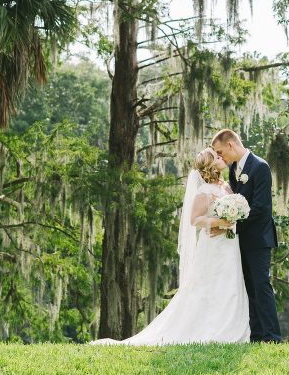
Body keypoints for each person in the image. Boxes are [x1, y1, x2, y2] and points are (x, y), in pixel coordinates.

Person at [91, 148, 250, 345]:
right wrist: (218, 222)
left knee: (230, 282)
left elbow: (232, 213)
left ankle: (231, 325)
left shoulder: (226, 186)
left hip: (229, 243)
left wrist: (232, 219)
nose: (221, 158)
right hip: (212, 245)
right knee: (209, 285)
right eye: (216, 157)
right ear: (210, 165)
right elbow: (195, 220)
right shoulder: (204, 192)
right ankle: (210, 328)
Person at [211, 129, 281, 343]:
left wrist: (232, 221)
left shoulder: (260, 167)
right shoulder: (233, 170)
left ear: (231, 144)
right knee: (249, 286)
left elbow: (261, 208)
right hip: (240, 238)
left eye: (220, 152)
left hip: (259, 238)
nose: (220, 157)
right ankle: (257, 335)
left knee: (261, 285)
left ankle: (272, 336)